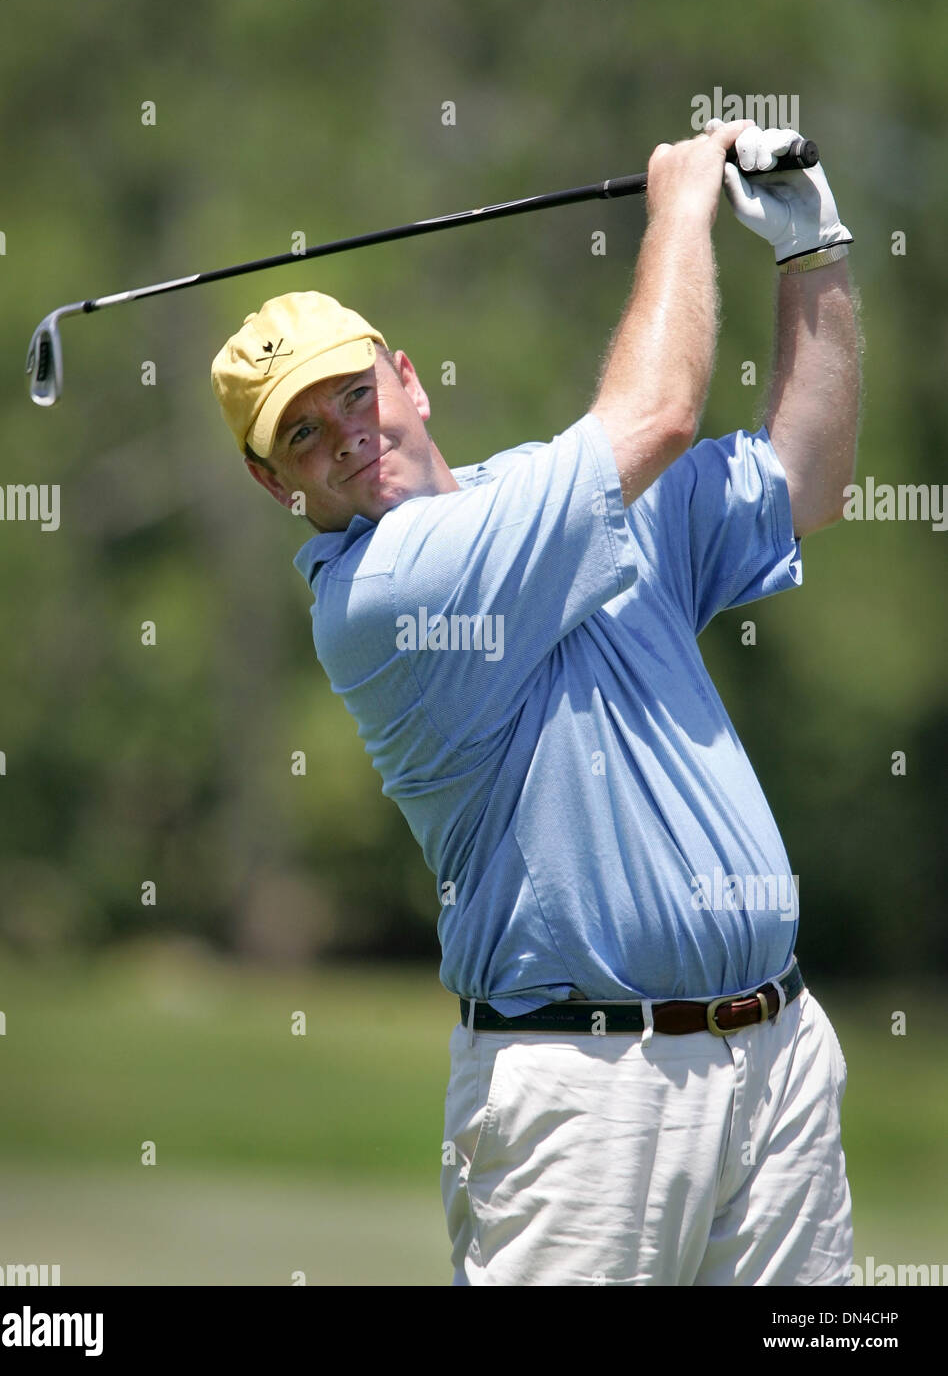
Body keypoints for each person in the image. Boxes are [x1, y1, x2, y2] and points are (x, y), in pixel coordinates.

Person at [210, 116, 861, 1286]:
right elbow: (658, 414)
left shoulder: (552, 499)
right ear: (274, 481)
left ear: (405, 376)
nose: (346, 437)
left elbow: (805, 480)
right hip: (584, 1094)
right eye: (302, 435)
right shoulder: (383, 592)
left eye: (354, 393)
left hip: (777, 1065)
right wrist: (680, 207)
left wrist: (814, 251)